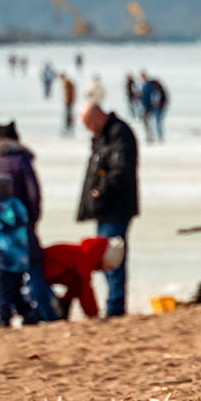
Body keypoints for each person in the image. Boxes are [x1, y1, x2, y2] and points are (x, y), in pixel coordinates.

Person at [0, 121, 58, 321]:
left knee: (2, 278)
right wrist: (28, 222)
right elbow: (34, 195)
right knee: (31, 272)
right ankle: (39, 312)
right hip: (20, 231)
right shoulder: (21, 160)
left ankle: (6, 315)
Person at [77, 102, 139, 317]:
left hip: (116, 206)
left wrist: (102, 190)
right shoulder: (105, 135)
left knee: (112, 255)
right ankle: (114, 304)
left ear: (97, 116)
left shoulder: (119, 133)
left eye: (88, 124)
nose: (88, 129)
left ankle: (115, 306)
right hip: (106, 207)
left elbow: (121, 169)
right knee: (104, 256)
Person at [0, 174, 39, 327]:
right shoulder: (16, 205)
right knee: (16, 288)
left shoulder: (0, 210)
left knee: (3, 289)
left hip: (6, 258)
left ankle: (4, 317)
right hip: (20, 257)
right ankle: (28, 313)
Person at [42, 236, 125, 319]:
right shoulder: (85, 259)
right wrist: (93, 314)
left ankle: (62, 307)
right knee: (79, 283)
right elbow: (85, 290)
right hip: (44, 269)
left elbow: (78, 286)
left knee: (76, 283)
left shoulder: (82, 254)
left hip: (48, 272)